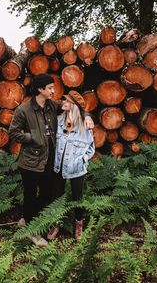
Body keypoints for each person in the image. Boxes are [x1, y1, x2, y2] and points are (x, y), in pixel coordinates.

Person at [9, 74, 94, 246]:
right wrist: (33, 136)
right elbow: (13, 133)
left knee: (47, 194)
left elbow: (75, 106)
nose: (54, 91)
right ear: (40, 89)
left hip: (49, 161)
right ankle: (31, 231)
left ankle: (27, 219)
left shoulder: (52, 106)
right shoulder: (24, 110)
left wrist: (87, 115)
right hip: (31, 162)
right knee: (30, 195)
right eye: (50, 88)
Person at [48, 90, 95, 240]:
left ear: (73, 105)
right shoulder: (58, 120)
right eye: (63, 100)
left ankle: (79, 224)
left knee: (77, 198)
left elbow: (91, 148)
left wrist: (82, 160)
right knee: (56, 196)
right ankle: (56, 223)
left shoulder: (84, 125)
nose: (63, 102)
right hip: (58, 167)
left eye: (67, 101)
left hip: (77, 169)